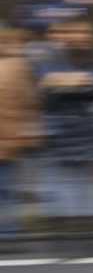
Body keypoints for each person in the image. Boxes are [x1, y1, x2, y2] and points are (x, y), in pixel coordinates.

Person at [24, 4, 93, 233]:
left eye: (86, 32)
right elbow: (45, 84)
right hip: (58, 132)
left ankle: (88, 224)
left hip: (85, 131)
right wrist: (74, 81)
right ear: (60, 34)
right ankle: (66, 225)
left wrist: (69, 82)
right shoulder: (45, 56)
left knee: (89, 182)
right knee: (63, 182)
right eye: (79, 32)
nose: (85, 36)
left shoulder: (89, 56)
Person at [0, 27, 42, 246]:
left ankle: (8, 233)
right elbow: (29, 102)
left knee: (5, 189)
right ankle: (9, 232)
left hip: (7, 138)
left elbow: (25, 103)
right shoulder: (17, 65)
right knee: (7, 189)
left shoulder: (14, 66)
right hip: (9, 138)